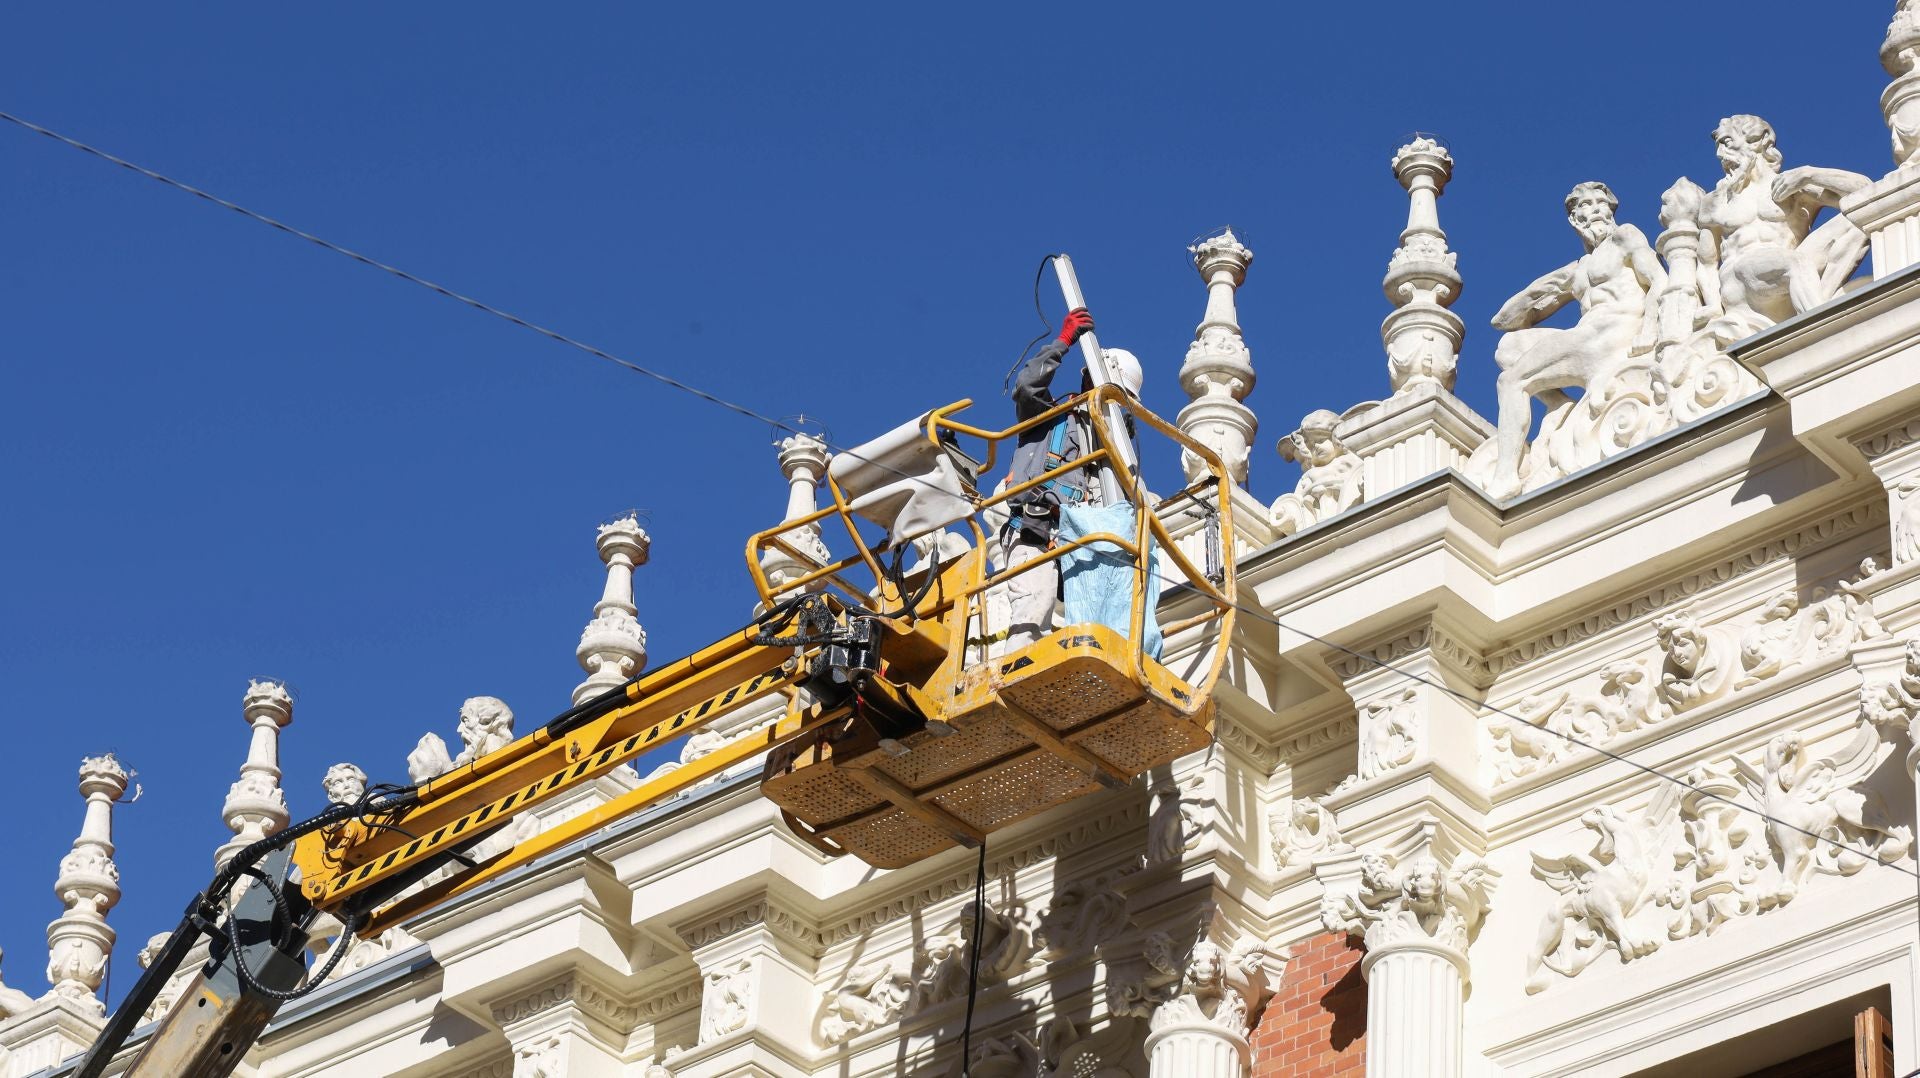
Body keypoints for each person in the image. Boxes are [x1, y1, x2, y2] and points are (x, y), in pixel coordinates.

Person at [1487, 182, 1665, 498]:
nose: (1593, 209)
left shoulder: (1625, 237)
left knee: (1511, 382)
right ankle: (1558, 403)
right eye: (1583, 206)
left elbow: (1659, 281)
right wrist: (1538, 291)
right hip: (1586, 338)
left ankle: (1505, 478)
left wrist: (1650, 328)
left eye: (1600, 202)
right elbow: (1503, 321)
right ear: (1574, 220)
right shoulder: (1577, 271)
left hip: (1612, 333)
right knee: (1508, 349)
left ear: (1611, 209)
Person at [985, 307, 1144, 655]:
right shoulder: (1049, 418)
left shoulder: (1110, 453)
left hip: (1077, 546)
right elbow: (1027, 386)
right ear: (1090, 382)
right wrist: (1063, 342)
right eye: (1110, 395)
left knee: (1102, 623)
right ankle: (1015, 672)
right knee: (1035, 603)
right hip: (1035, 531)